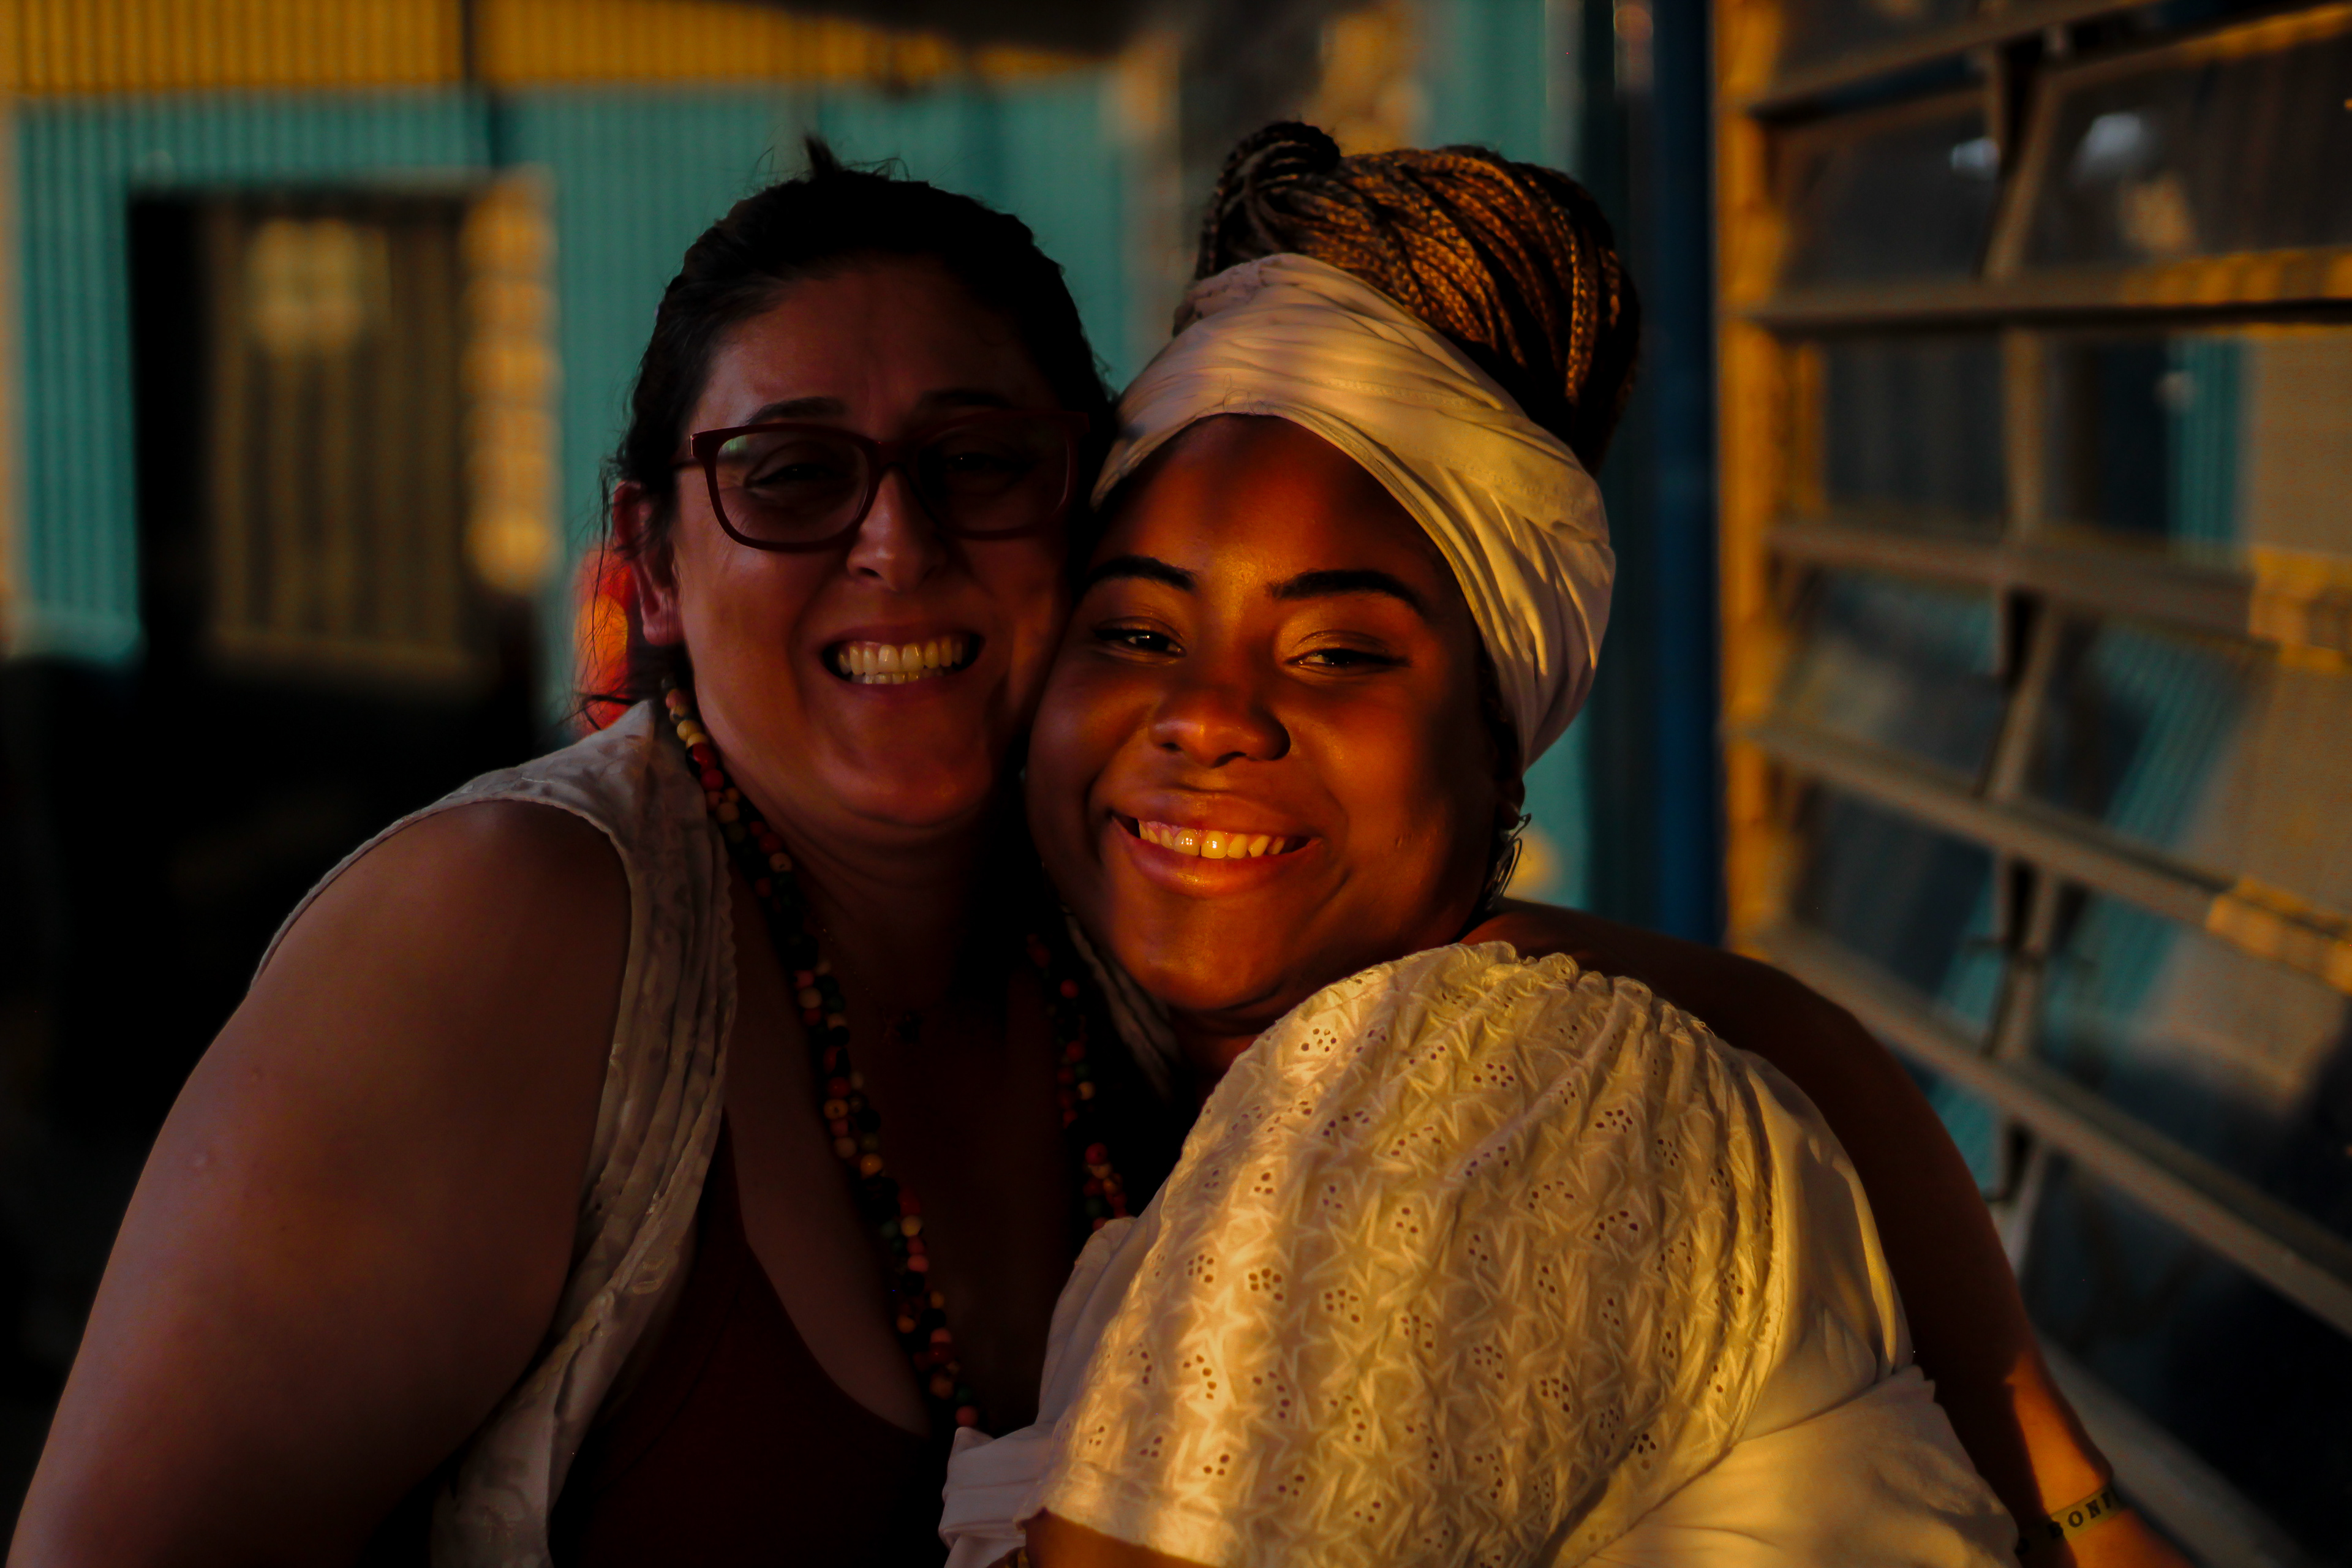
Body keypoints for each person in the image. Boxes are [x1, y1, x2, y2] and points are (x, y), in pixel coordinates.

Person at [16, 138, 2133, 1568]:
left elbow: (1611, 1017)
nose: (894, 539)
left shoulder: (1153, 949)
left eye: (983, 463)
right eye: (789, 474)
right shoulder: (515, 931)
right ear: (649, 558)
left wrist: (2048, 1461)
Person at [943, 125, 2185, 1568]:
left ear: (1499, 742)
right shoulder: (1317, 1061)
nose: (1207, 716)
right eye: (1139, 632)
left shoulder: (1459, 1088)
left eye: (1340, 651)